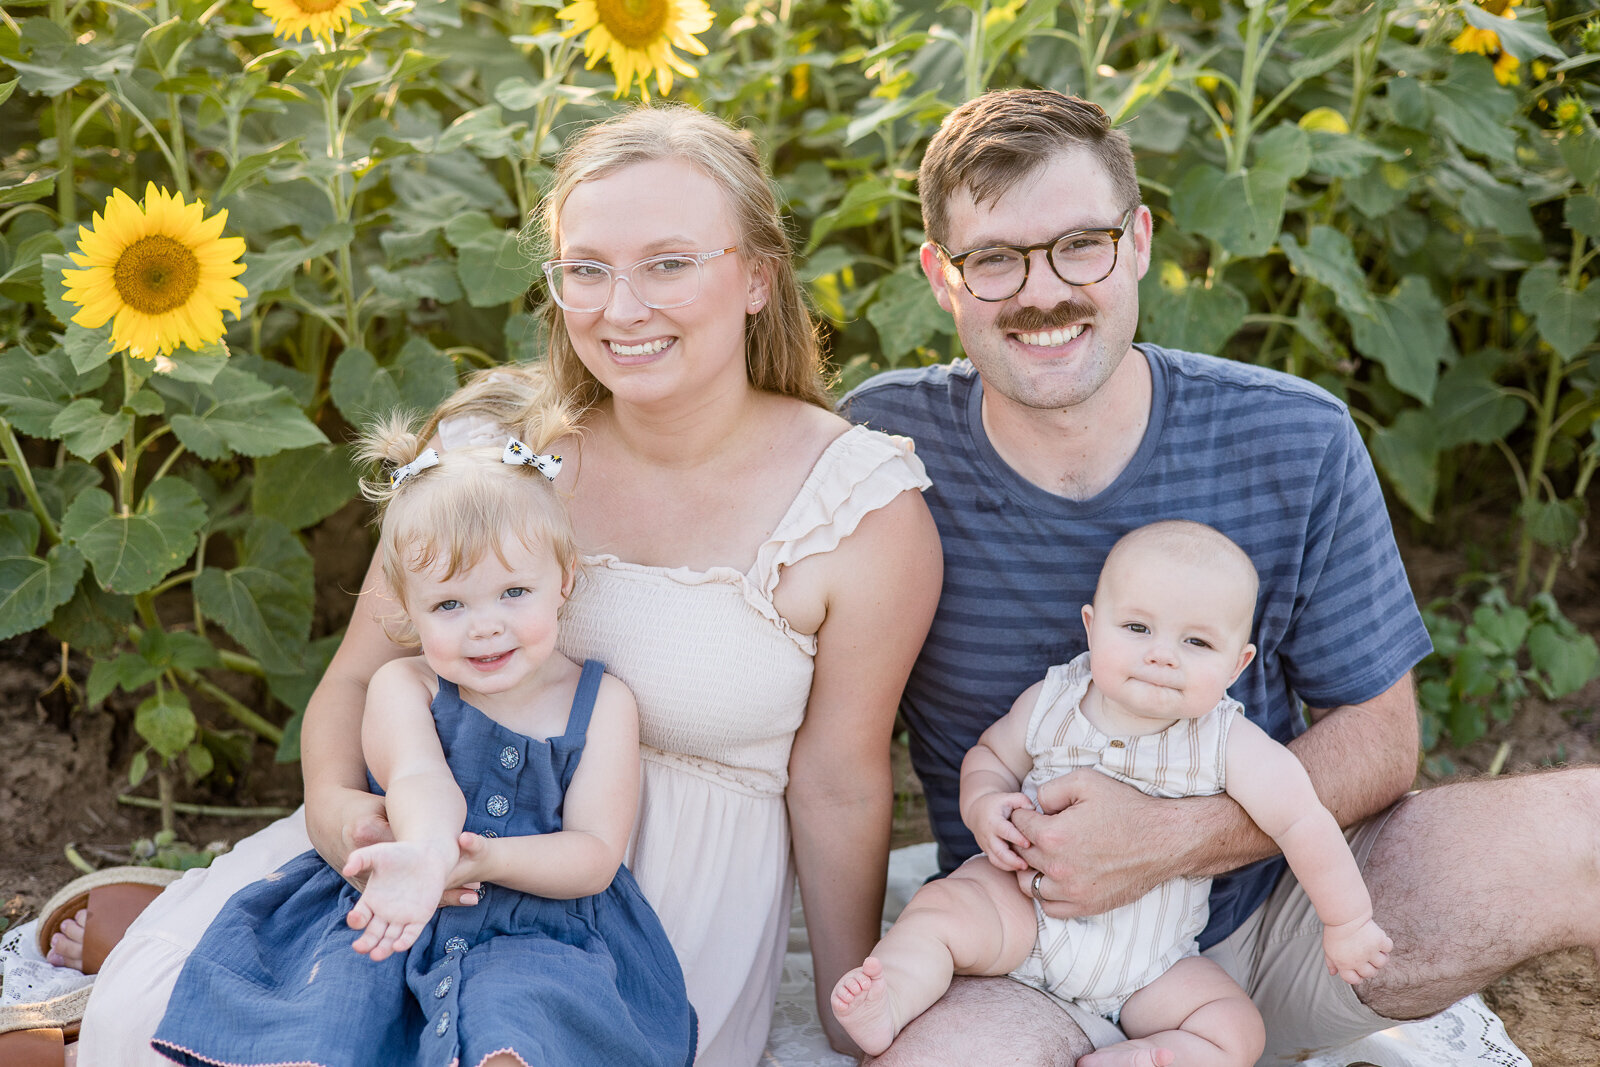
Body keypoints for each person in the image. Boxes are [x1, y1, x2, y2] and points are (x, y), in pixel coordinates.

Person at [74, 105, 943, 1067]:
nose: (622, 308)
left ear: (755, 277)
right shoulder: (495, 455)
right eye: (588, 268)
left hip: (636, 925)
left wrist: (847, 1011)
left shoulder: (854, 506)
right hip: (414, 856)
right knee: (146, 1030)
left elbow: (838, 784)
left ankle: (124, 933)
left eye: (669, 264)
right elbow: (363, 677)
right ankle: (129, 959)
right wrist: (346, 823)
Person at [841, 87, 1600, 1065]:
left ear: (1141, 238)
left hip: (1270, 921)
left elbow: (1379, 737)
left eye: (1083, 243)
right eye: (993, 259)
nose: (1043, 291)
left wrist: (1166, 838)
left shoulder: (1290, 437)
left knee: (1583, 825)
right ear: (940, 277)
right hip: (1023, 943)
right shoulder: (883, 447)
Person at [150, 429, 694, 1067]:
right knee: (338, 1004)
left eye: (514, 593)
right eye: (449, 603)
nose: (485, 624)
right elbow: (418, 780)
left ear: (565, 577)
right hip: (398, 896)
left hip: (542, 928)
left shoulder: (602, 704)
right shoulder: (403, 685)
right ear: (408, 608)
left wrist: (480, 860)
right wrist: (426, 856)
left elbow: (595, 855)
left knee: (523, 1015)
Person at [832, 521, 1391, 1066]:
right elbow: (990, 757)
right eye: (1138, 629)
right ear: (1092, 627)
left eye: (1196, 641)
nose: (1161, 655)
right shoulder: (1052, 702)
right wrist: (984, 805)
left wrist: (1347, 922)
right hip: (1021, 913)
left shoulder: (1229, 743)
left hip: (1151, 962)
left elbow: (1302, 821)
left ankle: (1143, 1057)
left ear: (1236, 664)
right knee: (940, 912)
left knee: (1234, 1028)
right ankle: (894, 998)